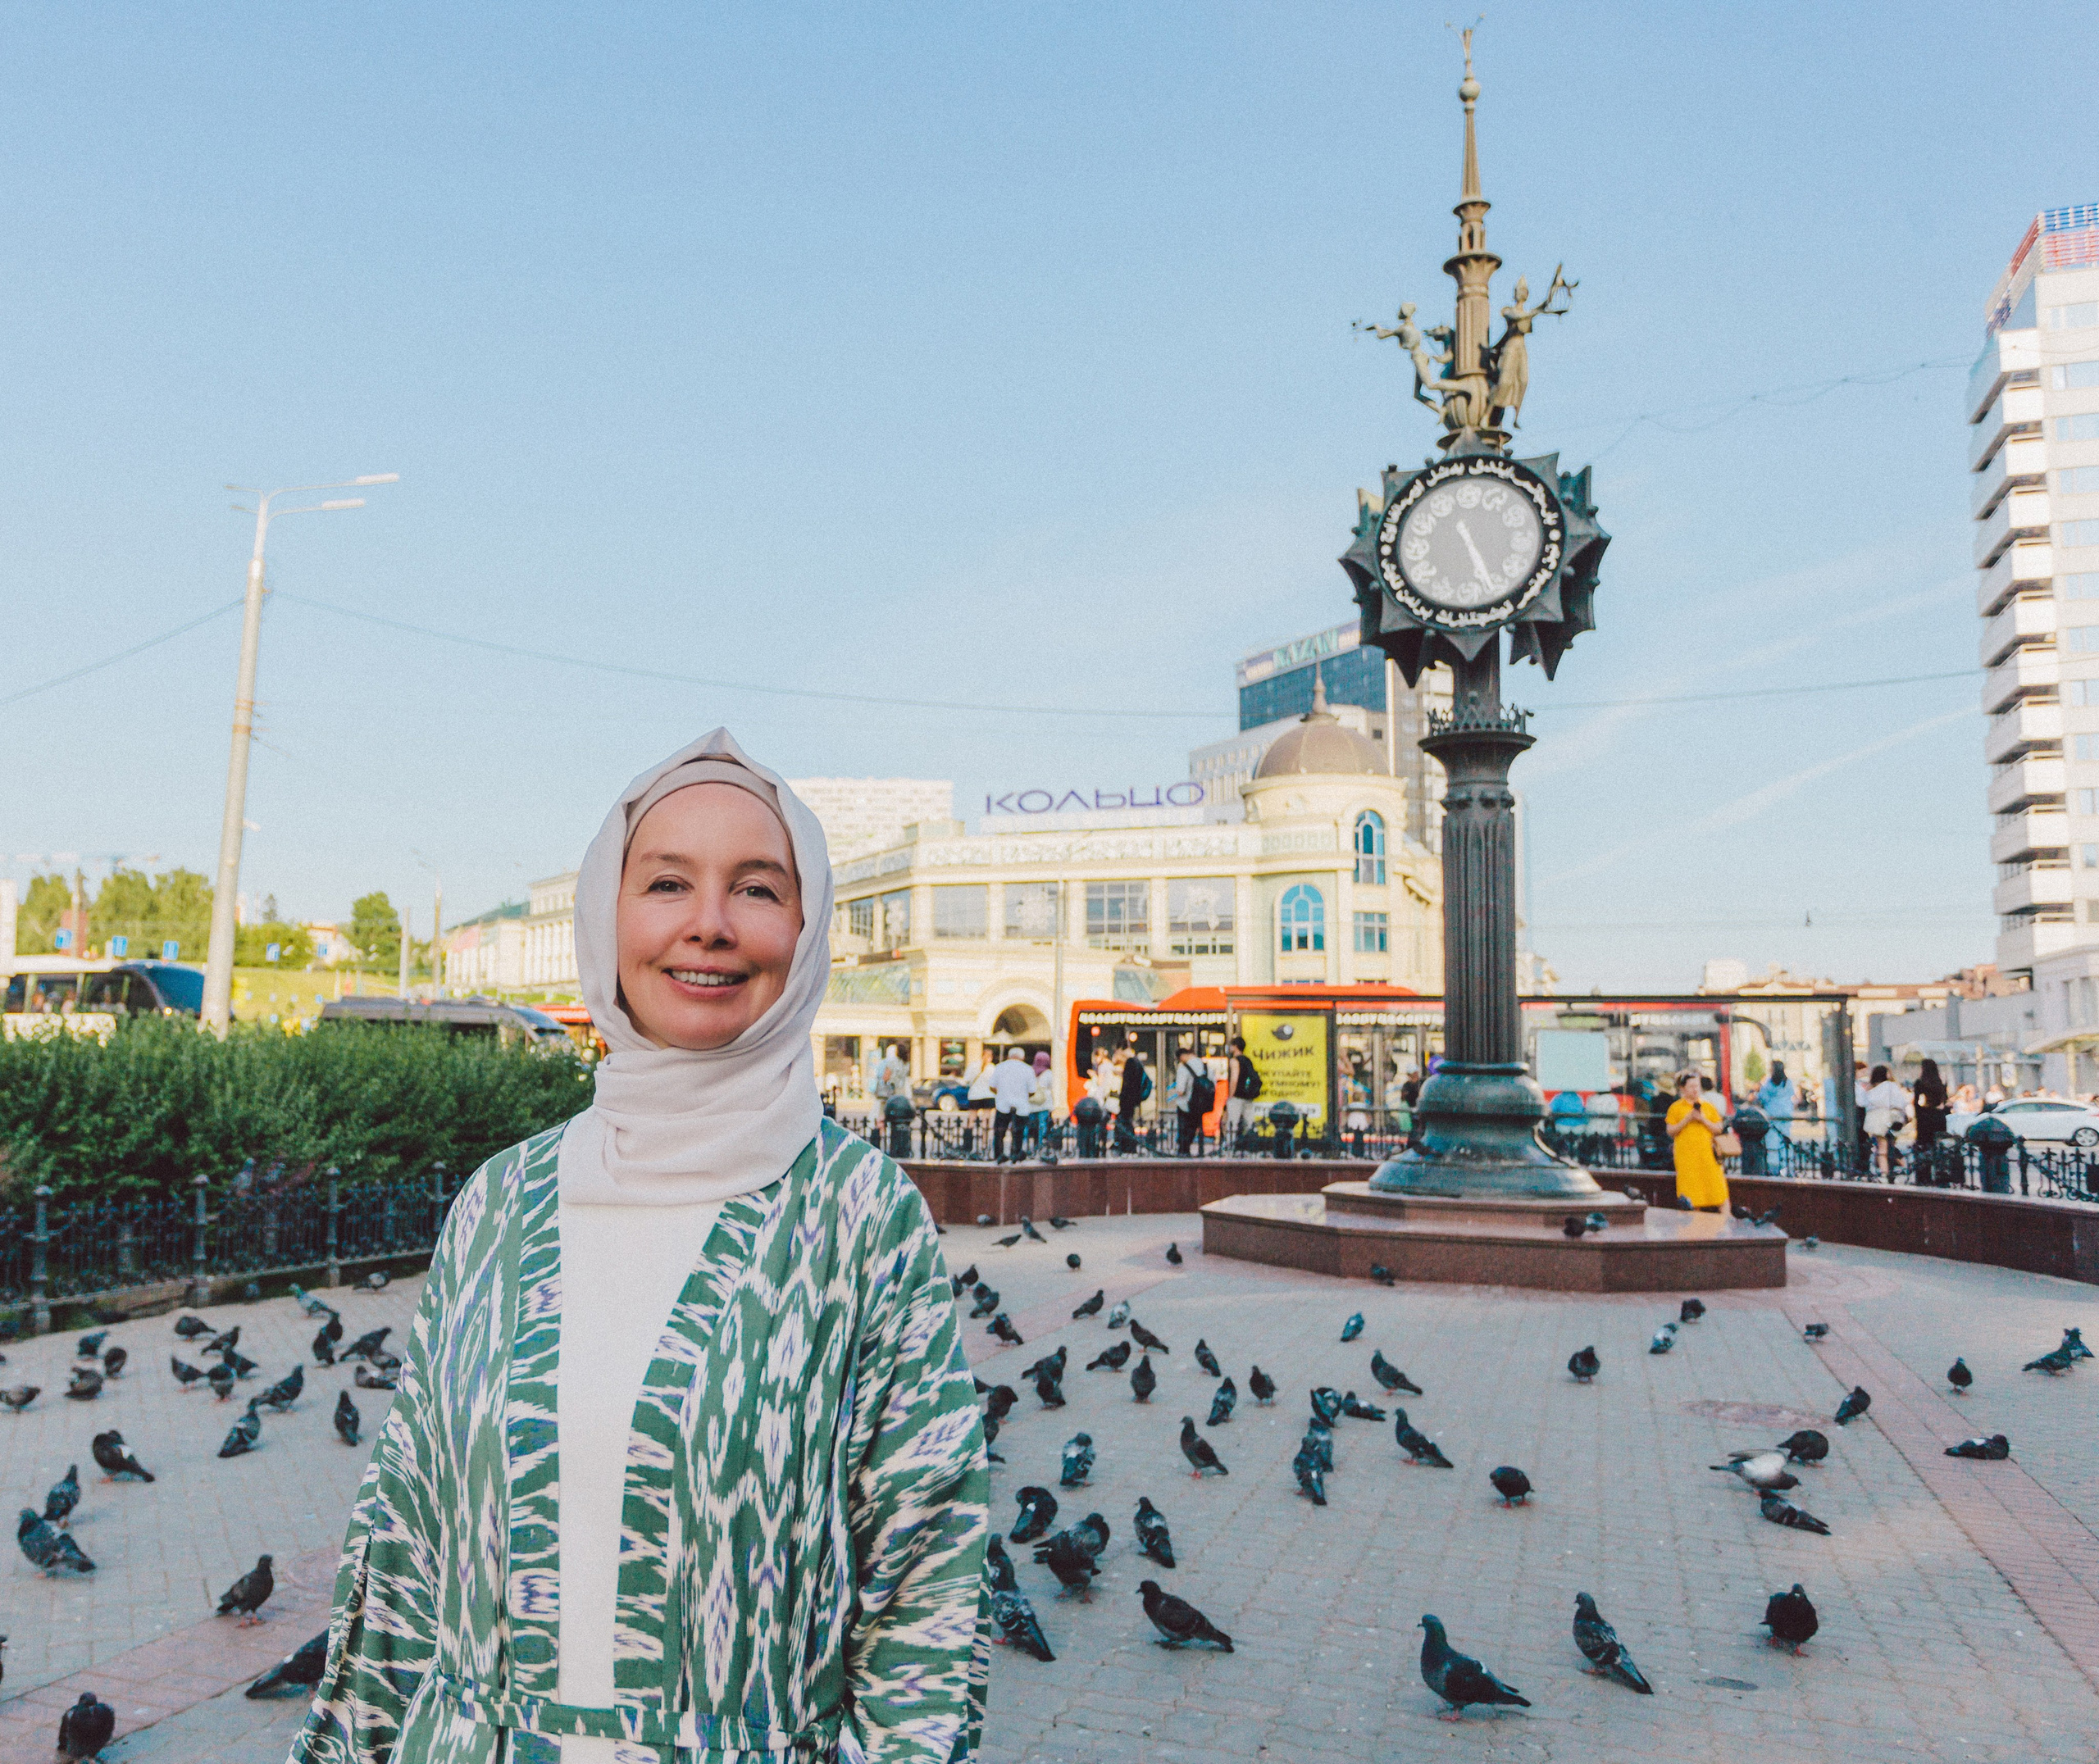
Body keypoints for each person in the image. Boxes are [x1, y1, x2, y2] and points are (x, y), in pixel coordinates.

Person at [291, 729, 986, 1764]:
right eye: (666, 883)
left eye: (757, 888)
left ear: (805, 931)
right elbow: (401, 1541)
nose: (709, 924)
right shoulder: (500, 1204)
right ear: (605, 915)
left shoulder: (859, 1217)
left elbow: (928, 1579)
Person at [1665, 1070, 1728, 1212]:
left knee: (1719, 1192)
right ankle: (1693, 1223)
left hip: (1707, 1155)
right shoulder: (1676, 1108)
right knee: (1692, 1195)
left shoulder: (1708, 1106)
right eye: (1691, 1086)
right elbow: (1670, 1131)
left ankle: (1726, 1221)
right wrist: (1687, 1119)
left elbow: (1718, 1128)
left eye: (1697, 1086)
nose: (1695, 1090)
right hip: (1686, 1157)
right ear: (1683, 1088)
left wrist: (1702, 1119)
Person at [990, 1043, 1034, 1163]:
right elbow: (1032, 1091)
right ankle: (1016, 1153)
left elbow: (992, 1086)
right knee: (1018, 1132)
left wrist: (1001, 1093)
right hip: (1021, 1106)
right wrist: (1023, 1095)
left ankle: (998, 1155)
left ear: (1009, 1056)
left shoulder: (1000, 1067)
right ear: (1022, 1057)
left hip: (1002, 1104)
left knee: (1000, 1132)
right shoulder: (1028, 1069)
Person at [1863, 1063, 1910, 1178]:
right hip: (1891, 1118)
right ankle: (1905, 1168)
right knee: (1891, 1147)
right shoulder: (1890, 1086)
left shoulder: (1870, 1088)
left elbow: (1865, 1103)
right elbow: (1900, 1102)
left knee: (1881, 1148)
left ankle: (1884, 1173)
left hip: (1875, 1120)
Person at [1755, 1060, 1796, 1173]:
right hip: (1786, 1115)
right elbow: (1792, 1095)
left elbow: (1762, 1098)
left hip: (1772, 1115)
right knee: (1785, 1139)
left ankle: (1774, 1168)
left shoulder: (1769, 1084)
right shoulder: (1788, 1082)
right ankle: (1786, 1166)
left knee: (1772, 1142)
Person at [1223, 1035, 1259, 1153]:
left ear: (1236, 1047)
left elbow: (1234, 1079)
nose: (1230, 1048)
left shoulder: (1234, 1061)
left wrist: (1230, 1096)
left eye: (1231, 1045)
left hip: (1237, 1096)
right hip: (1248, 1097)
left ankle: (1230, 1146)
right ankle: (1251, 1147)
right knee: (1249, 1123)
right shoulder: (1248, 1060)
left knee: (1232, 1123)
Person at [1171, 1042, 1207, 1157]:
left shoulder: (1184, 1068)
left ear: (1182, 1056)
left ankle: (1184, 1152)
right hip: (1200, 1104)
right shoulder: (1205, 1066)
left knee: (1184, 1130)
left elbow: (1180, 1090)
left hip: (1185, 1105)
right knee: (1193, 1129)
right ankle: (1198, 1150)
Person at [1913, 1057, 1950, 1150]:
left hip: (1924, 1116)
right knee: (1938, 1143)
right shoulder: (1940, 1083)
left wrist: (1918, 1113)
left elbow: (1916, 1101)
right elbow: (1945, 1099)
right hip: (1939, 1115)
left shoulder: (1920, 1083)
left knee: (1924, 1144)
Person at [1117, 1045, 1149, 1153]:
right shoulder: (1137, 1062)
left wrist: (1122, 1098)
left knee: (1125, 1123)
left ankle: (1128, 1146)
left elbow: (1127, 1084)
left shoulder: (1131, 1062)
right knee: (1128, 1122)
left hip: (1128, 1099)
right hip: (1133, 1098)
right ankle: (1129, 1146)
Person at [870, 1041, 911, 1107]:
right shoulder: (907, 1064)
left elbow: (886, 1077)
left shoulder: (892, 1062)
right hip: (903, 1091)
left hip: (892, 1092)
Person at [1027, 1051, 1053, 1153]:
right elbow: (1052, 1087)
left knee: (1030, 1124)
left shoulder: (1030, 1071)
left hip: (1031, 1103)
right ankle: (1040, 1144)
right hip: (1044, 1103)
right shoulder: (1049, 1073)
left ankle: (1028, 1145)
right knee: (1042, 1124)